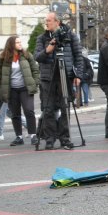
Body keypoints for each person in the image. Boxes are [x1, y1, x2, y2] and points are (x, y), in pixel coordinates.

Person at [35, 13, 82, 149]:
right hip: (47, 78)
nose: (46, 23)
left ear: (57, 22)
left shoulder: (70, 36)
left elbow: (78, 56)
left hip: (65, 76)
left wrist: (77, 75)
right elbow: (37, 56)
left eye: (49, 21)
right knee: (48, 109)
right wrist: (48, 50)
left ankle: (65, 138)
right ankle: (50, 138)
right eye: (46, 21)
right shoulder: (42, 38)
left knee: (64, 108)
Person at [0, 36, 40, 148]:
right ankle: (19, 137)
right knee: (15, 114)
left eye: (20, 42)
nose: (20, 44)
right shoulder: (2, 58)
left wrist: (35, 82)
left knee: (29, 110)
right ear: (11, 44)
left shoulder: (26, 55)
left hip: (25, 88)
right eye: (17, 42)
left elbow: (35, 69)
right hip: (11, 90)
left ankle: (33, 135)